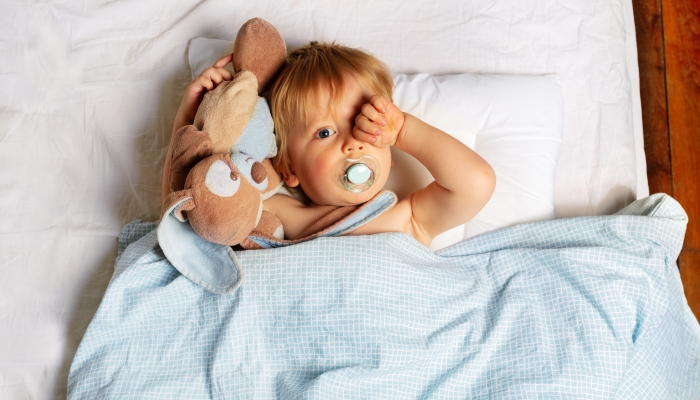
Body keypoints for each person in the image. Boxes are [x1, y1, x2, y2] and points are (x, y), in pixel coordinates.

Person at [163, 42, 496, 248]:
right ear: (290, 169)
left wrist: (405, 130)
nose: (353, 143)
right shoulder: (281, 215)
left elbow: (476, 183)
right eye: (324, 133)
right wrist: (187, 121)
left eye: (364, 125)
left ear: (390, 153)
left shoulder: (411, 219)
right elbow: (189, 215)